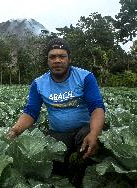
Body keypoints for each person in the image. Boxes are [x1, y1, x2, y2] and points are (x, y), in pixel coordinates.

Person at [7, 37, 105, 165]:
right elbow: (30, 112)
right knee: (54, 164)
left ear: (69, 59)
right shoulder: (38, 83)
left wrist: (94, 133)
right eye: (52, 57)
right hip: (59, 133)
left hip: (85, 130)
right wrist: (15, 130)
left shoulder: (85, 77)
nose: (57, 60)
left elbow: (97, 107)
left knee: (87, 153)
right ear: (47, 61)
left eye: (62, 56)